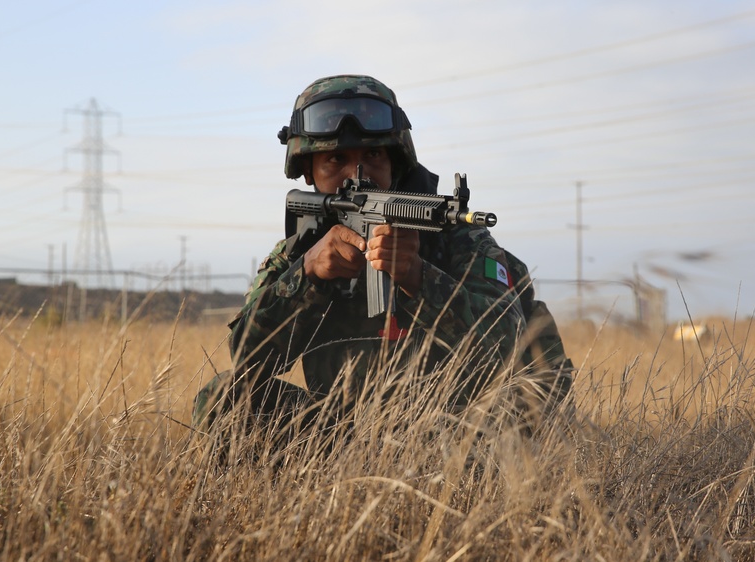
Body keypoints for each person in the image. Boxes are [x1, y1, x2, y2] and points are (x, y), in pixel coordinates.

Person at [192, 74, 572, 434]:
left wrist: (418, 277)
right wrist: (306, 277)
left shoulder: (457, 237)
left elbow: (509, 349)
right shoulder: (300, 251)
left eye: (374, 155)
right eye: (334, 160)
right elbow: (247, 357)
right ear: (308, 172)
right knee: (222, 399)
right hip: (342, 436)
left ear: (396, 160)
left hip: (456, 431)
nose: (359, 173)